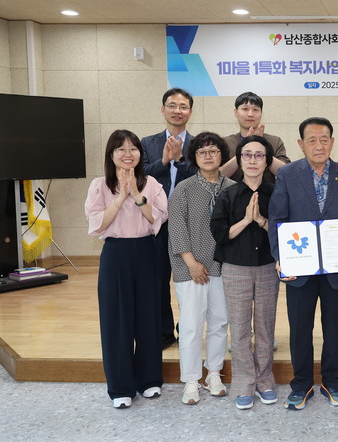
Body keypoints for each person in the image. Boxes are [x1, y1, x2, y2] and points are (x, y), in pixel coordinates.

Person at [268, 117, 338, 410]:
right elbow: (277, 219)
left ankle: (333, 382)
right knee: (300, 329)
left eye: (324, 139)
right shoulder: (287, 174)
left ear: (333, 142)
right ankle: (301, 385)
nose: (319, 145)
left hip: (337, 268)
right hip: (300, 267)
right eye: (312, 140)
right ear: (301, 144)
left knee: (335, 329)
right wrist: (281, 258)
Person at [85, 130, 167, 409]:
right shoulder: (99, 185)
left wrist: (136, 194)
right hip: (115, 254)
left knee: (148, 316)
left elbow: (157, 218)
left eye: (133, 149)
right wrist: (121, 197)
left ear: (141, 154)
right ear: (111, 155)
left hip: (146, 251)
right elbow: (98, 223)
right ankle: (121, 387)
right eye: (121, 149)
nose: (128, 154)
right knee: (116, 320)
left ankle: (149, 379)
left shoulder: (151, 183)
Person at [210, 135, 279, 410]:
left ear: (267, 161)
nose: (252, 160)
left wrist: (260, 220)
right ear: (239, 160)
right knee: (239, 329)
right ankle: (243, 383)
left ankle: (264, 380)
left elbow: (283, 232)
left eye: (258, 155)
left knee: (265, 327)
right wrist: (246, 220)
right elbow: (219, 234)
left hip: (267, 267)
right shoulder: (227, 194)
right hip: (235, 268)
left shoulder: (276, 193)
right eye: (247, 155)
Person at [168, 132, 234, 405]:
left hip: (223, 267)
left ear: (222, 155)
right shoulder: (183, 189)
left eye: (213, 151)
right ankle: (191, 380)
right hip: (190, 268)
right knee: (191, 326)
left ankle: (214, 373)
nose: (208, 156)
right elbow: (177, 229)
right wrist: (192, 263)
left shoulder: (232, 188)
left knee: (220, 322)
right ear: (194, 157)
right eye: (202, 152)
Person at [141, 88, 198, 350]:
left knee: (189, 280)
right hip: (156, 222)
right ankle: (164, 332)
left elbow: (202, 179)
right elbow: (140, 177)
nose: (177, 110)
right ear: (163, 109)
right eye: (172, 105)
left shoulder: (198, 144)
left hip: (189, 222)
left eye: (183, 106)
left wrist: (181, 160)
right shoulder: (147, 143)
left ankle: (186, 330)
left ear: (190, 112)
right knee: (157, 279)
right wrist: (163, 161)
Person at [220, 91, 290, 183]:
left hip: (268, 192)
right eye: (245, 109)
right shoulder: (226, 143)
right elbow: (217, 176)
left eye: (255, 110)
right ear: (236, 112)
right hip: (232, 192)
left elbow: (287, 173)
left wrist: (261, 145)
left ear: (261, 113)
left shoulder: (275, 141)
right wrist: (245, 145)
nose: (250, 114)